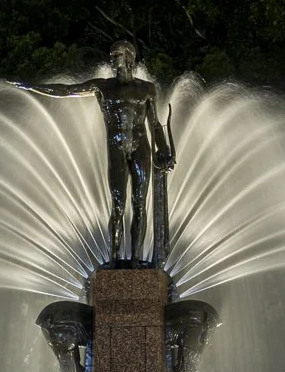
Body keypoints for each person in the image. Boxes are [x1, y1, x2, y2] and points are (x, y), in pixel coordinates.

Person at [15, 40, 174, 264]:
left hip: (141, 147)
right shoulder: (103, 87)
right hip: (116, 146)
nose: (112, 59)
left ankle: (136, 260)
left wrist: (163, 149)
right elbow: (66, 90)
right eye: (111, 55)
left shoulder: (147, 89)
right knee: (118, 205)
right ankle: (114, 260)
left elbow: (155, 124)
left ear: (129, 57)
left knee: (139, 203)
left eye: (116, 54)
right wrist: (31, 87)